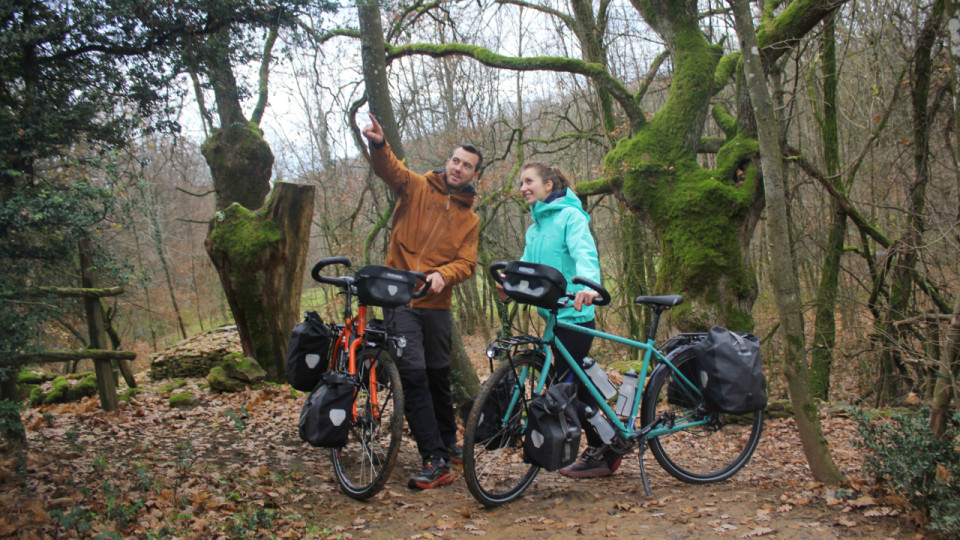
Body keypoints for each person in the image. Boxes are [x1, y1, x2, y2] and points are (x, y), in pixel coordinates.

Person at [361, 114, 481, 490]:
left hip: (438, 305)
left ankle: (447, 442)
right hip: (399, 298)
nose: (459, 168)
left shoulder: (470, 219)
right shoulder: (416, 186)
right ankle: (435, 459)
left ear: (475, 174)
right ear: (447, 162)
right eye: (456, 161)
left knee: (437, 377)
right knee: (412, 376)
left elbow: (468, 262)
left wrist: (445, 274)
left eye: (467, 166)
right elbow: (390, 169)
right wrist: (379, 144)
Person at [499, 161, 621, 478]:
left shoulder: (571, 216)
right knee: (572, 389)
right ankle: (608, 440)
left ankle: (605, 448)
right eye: (521, 182)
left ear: (548, 185)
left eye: (529, 181)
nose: (523, 187)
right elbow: (528, 266)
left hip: (575, 318)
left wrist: (589, 287)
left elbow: (585, 253)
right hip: (552, 319)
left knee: (561, 393)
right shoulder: (534, 228)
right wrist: (509, 285)